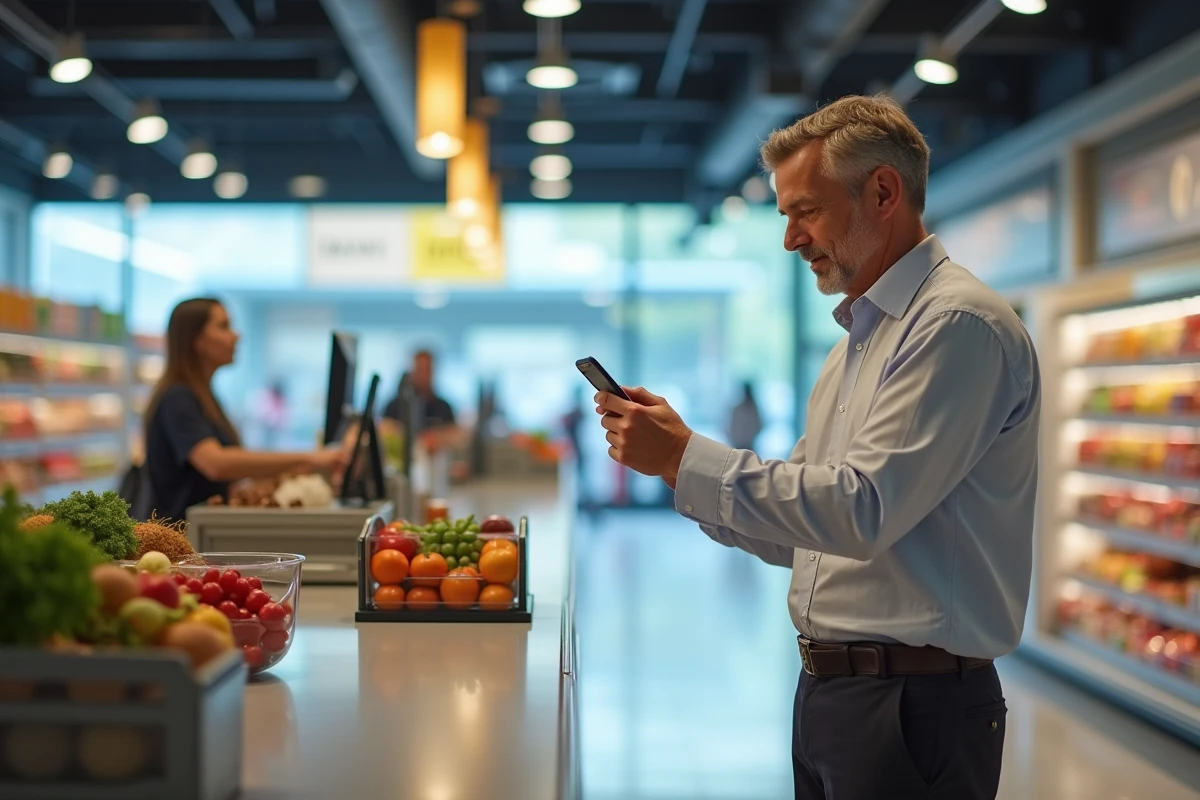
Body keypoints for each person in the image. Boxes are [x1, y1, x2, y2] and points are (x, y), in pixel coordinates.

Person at [591, 95, 1040, 800]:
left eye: (806, 210)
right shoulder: (858, 342)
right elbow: (807, 534)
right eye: (784, 215)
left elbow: (861, 511)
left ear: (883, 193)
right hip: (838, 697)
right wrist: (678, 470)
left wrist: (683, 457)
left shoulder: (955, 325)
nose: (790, 239)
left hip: (915, 706)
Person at [144, 298, 349, 521]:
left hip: (202, 529)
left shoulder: (205, 397)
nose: (236, 336)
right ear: (197, 340)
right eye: (224, 327)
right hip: (181, 534)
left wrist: (291, 470)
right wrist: (308, 458)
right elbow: (216, 464)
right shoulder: (178, 399)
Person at [382, 350, 459, 450]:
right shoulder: (395, 406)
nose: (423, 375)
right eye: (420, 370)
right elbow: (384, 429)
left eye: (427, 370)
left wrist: (438, 437)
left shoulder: (444, 407)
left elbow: (455, 434)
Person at [726, 381, 763, 451]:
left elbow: (759, 426)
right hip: (737, 444)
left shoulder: (753, 410)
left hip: (749, 445)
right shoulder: (737, 410)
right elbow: (730, 428)